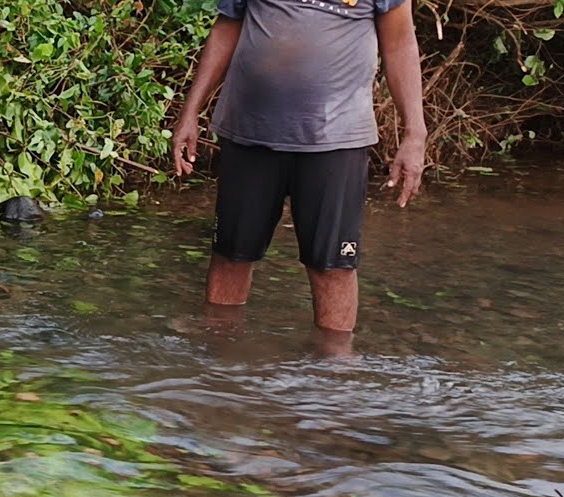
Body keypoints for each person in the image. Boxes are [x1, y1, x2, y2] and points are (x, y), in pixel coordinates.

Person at [170, 0, 427, 341]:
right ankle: (222, 366)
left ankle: (331, 378)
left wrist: (415, 132)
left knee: (333, 266)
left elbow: (399, 43)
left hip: (336, 140)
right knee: (231, 254)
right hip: (249, 132)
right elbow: (227, 26)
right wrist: (191, 112)